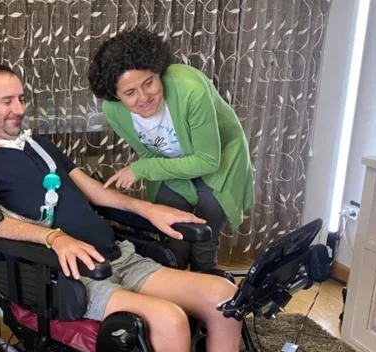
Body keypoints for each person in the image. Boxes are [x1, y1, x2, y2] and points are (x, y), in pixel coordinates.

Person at [0, 63, 246, 352]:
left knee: (224, 298)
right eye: (6, 101)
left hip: (117, 256)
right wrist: (54, 238)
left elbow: (94, 191)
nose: (19, 109)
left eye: (22, 99)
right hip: (65, 277)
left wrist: (149, 210)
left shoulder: (40, 147)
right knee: (169, 319)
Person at [88, 27, 255, 273]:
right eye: (130, 93)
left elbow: (208, 161)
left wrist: (140, 170)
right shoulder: (114, 111)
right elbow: (149, 151)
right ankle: (177, 291)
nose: (144, 97)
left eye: (149, 82)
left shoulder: (190, 89)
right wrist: (148, 167)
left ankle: (206, 286)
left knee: (204, 239)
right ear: (115, 95)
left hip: (219, 159)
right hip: (171, 162)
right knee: (174, 238)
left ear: (158, 71)